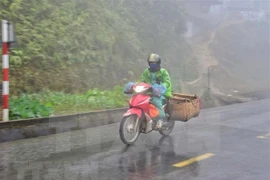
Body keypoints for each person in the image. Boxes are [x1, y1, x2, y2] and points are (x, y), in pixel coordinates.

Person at [139, 53, 173, 129]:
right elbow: (141, 81)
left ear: (158, 64)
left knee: (156, 101)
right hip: (149, 92)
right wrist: (137, 86)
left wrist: (161, 87)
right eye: (150, 64)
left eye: (154, 64)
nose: (152, 65)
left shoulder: (163, 72)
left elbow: (167, 82)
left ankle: (162, 120)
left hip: (162, 93)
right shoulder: (146, 72)